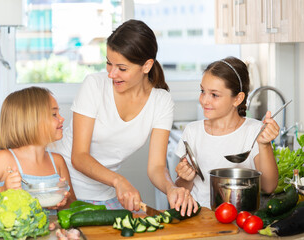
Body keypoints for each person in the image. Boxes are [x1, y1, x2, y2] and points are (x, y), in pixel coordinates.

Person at [50, 19, 198, 216]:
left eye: (122, 68)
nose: (111, 74)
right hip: (58, 182)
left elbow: (156, 166)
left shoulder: (161, 101)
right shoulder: (94, 85)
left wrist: (171, 188)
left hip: (103, 190)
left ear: (146, 66)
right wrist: (119, 181)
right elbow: (79, 157)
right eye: (108, 63)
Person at [174, 56, 279, 208]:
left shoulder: (254, 131)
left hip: (240, 218)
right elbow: (181, 187)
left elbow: (269, 187)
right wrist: (185, 178)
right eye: (202, 91)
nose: (204, 100)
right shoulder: (192, 132)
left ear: (237, 99)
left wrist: (264, 145)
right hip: (199, 217)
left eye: (214, 95)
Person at [0, 87, 76, 212]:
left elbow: (73, 205)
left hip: (51, 231)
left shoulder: (57, 162)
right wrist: (3, 190)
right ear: (31, 121)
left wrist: (63, 201)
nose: (62, 118)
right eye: (54, 114)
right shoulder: (4, 160)